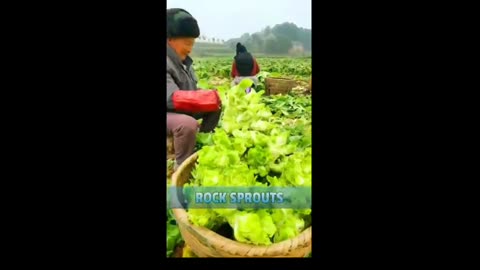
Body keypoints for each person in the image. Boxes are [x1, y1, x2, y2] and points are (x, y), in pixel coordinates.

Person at [166, 8, 222, 170]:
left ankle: (202, 140)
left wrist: (208, 98)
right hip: (169, 110)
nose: (190, 48)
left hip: (177, 109)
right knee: (187, 124)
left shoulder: (184, 62)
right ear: (170, 39)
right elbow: (170, 97)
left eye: (193, 43)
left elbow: (191, 89)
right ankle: (182, 166)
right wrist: (202, 98)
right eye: (187, 43)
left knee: (215, 105)